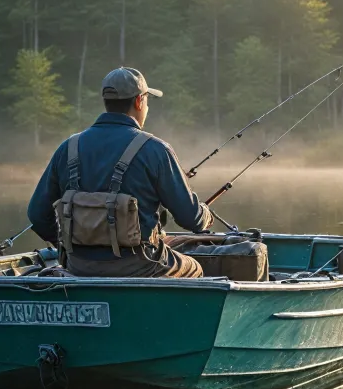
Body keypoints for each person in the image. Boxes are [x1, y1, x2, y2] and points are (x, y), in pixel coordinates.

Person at [28, 67, 212, 278]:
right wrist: (205, 215)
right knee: (195, 268)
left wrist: (66, 248)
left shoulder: (68, 148)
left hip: (78, 265)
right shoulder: (155, 149)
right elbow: (191, 219)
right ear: (138, 102)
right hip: (141, 265)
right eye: (147, 101)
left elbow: (37, 214)